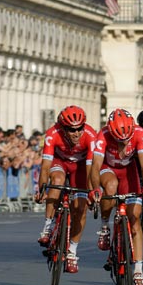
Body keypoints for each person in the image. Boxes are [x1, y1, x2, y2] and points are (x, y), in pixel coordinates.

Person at [89, 109, 143, 285]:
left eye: (127, 139)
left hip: (128, 171)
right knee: (110, 187)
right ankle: (104, 226)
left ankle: (139, 272)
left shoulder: (139, 133)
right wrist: (95, 189)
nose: (124, 143)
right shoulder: (103, 134)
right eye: (119, 140)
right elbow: (95, 166)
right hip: (108, 169)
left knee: (135, 220)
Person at [36, 106, 96, 274]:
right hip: (59, 163)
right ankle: (47, 226)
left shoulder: (91, 136)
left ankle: (72, 253)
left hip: (81, 167)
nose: (77, 133)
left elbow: (92, 170)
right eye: (71, 130)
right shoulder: (52, 134)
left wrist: (92, 192)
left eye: (80, 128)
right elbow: (45, 166)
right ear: (63, 128)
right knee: (57, 181)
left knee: (80, 208)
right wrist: (41, 189)